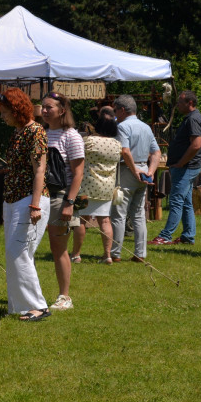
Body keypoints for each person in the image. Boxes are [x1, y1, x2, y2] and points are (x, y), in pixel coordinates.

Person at [0, 88, 50, 321]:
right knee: (15, 253)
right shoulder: (18, 132)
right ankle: (19, 305)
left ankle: (37, 306)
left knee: (18, 252)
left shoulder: (35, 132)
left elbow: (39, 170)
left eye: (5, 112)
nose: (2, 117)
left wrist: (35, 205)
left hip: (30, 200)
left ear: (16, 110)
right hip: (14, 199)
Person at [40, 91, 84, 311]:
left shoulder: (71, 136)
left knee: (58, 249)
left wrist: (69, 202)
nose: (44, 111)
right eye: (43, 107)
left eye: (49, 107)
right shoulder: (41, 132)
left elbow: (78, 173)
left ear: (62, 110)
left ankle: (64, 297)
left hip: (59, 197)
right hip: (40, 197)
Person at [109, 94, 161, 262]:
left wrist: (134, 171)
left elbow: (125, 151)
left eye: (116, 110)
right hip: (143, 170)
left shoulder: (122, 126)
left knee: (118, 214)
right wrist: (150, 171)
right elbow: (157, 152)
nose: (115, 114)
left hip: (126, 171)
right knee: (138, 214)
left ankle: (115, 253)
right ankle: (140, 253)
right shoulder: (146, 127)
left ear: (122, 110)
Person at [151, 90, 201, 245]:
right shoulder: (191, 118)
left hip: (186, 167)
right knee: (186, 202)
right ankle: (188, 236)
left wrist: (181, 163)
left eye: (180, 102)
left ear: (189, 103)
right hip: (186, 166)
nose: (177, 105)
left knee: (176, 201)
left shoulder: (193, 119)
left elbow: (196, 144)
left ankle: (165, 236)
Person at [72, 108, 122, 265]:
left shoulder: (89, 141)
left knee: (81, 220)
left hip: (86, 186)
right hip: (107, 189)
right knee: (105, 221)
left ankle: (76, 254)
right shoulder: (117, 144)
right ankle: (107, 255)